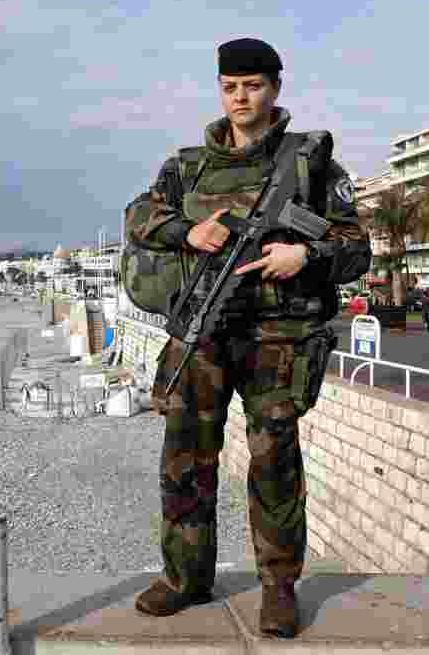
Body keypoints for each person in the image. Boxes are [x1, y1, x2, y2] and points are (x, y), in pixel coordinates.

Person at [125, 38, 371, 638]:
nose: (242, 97)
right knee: (184, 459)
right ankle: (185, 580)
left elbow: (356, 247)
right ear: (220, 90)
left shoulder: (311, 164)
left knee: (274, 462)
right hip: (203, 333)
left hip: (278, 338)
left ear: (275, 89)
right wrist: (190, 230)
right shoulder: (187, 167)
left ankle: (279, 590)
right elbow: (139, 217)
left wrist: (304, 255)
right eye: (231, 87)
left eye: (254, 86)